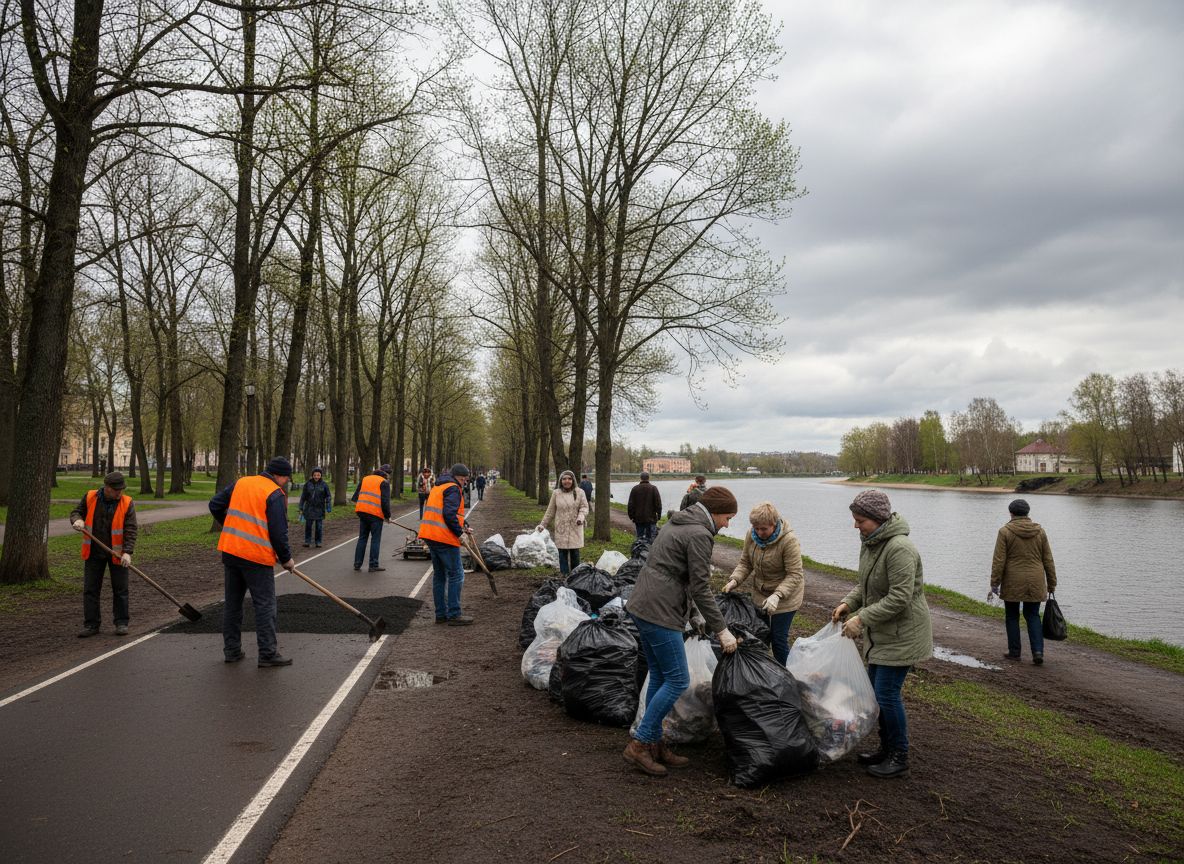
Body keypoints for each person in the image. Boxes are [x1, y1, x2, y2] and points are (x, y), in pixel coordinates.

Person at [623, 486, 741, 776]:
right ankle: (639, 745)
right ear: (715, 512)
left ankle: (654, 741)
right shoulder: (700, 534)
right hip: (660, 611)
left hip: (644, 603)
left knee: (660, 675)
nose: (727, 524)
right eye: (727, 517)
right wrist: (722, 630)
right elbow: (699, 586)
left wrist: (695, 615)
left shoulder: (678, 521)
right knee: (677, 679)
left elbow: (678, 574)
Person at [832, 489, 932, 779]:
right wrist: (848, 603)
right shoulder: (871, 542)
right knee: (878, 694)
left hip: (903, 634)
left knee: (886, 695)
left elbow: (900, 597)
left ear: (878, 519)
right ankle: (886, 749)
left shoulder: (900, 548)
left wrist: (861, 618)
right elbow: (866, 586)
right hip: (883, 633)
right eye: (855, 519)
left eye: (860, 520)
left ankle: (899, 756)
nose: (856, 526)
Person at [209, 457, 296, 667]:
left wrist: (230, 525)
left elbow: (215, 504)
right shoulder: (275, 494)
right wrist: (286, 559)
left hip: (231, 551)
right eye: (286, 478)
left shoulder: (242, 482)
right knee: (265, 605)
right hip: (256, 557)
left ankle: (231, 651)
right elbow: (278, 532)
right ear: (279, 476)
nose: (286, 482)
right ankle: (267, 654)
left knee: (233, 604)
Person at [723, 501, 804, 665]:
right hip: (761, 594)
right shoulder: (751, 535)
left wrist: (777, 595)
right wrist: (734, 580)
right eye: (756, 528)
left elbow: (795, 574)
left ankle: (786, 674)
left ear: (774, 524)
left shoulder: (789, 541)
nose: (759, 533)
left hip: (785, 599)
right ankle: (762, 673)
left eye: (764, 529)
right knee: (760, 635)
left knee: (778, 639)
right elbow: (745, 563)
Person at [71, 471, 138, 637]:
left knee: (121, 589)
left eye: (121, 489)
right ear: (107, 488)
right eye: (116, 490)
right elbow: (76, 512)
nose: (119, 492)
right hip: (93, 551)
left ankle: (121, 623)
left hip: (117, 554)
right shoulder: (90, 497)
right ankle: (91, 625)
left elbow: (130, 529)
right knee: (91, 590)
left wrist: (127, 552)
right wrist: (77, 520)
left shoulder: (127, 502)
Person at [990, 499, 1057, 666]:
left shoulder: (1005, 531)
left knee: (1012, 616)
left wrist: (994, 583)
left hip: (1013, 579)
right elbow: (1048, 559)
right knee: (1033, 615)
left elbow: (999, 560)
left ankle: (1014, 652)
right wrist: (1052, 582)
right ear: (1027, 513)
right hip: (1035, 579)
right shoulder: (1040, 531)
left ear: (1011, 513)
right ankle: (1038, 652)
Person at [418, 463, 474, 625]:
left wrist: (464, 525)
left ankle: (441, 614)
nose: (465, 482)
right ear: (458, 477)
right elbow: (449, 514)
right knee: (457, 574)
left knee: (439, 576)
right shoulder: (453, 489)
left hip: (430, 535)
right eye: (464, 479)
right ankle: (454, 614)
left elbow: (451, 512)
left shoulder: (439, 486)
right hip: (443, 538)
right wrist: (459, 533)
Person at [537, 470, 590, 576]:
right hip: (561, 528)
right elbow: (550, 511)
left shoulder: (580, 492)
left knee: (575, 553)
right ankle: (564, 576)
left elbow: (584, 507)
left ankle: (575, 577)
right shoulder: (556, 493)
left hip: (576, 526)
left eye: (569, 479)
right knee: (562, 554)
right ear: (561, 481)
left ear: (573, 480)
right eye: (564, 479)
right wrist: (543, 524)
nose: (567, 481)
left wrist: (581, 517)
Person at [351, 463, 392, 572]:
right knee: (375, 539)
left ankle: (357, 563)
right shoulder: (384, 482)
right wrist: (387, 516)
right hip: (375, 514)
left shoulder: (365, 479)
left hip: (362, 511)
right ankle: (373, 564)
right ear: (386, 474)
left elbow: (355, 496)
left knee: (362, 538)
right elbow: (385, 502)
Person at [298, 467, 332, 548]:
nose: (316, 476)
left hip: (320, 508)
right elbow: (303, 497)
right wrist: (301, 506)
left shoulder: (324, 485)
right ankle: (307, 541)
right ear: (312, 475)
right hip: (309, 508)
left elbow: (328, 496)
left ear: (321, 475)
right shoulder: (307, 484)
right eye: (315, 475)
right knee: (308, 526)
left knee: (319, 527)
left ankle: (318, 542)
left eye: (318, 475)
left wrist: (328, 505)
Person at [627, 471, 662, 542]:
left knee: (639, 537)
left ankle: (640, 549)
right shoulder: (653, 488)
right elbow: (658, 503)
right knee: (651, 537)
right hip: (651, 518)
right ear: (649, 478)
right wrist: (659, 515)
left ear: (640, 478)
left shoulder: (635, 489)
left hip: (638, 518)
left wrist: (632, 516)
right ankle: (649, 550)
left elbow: (630, 504)